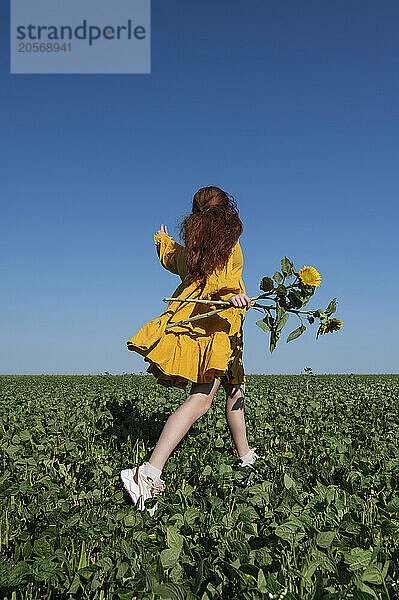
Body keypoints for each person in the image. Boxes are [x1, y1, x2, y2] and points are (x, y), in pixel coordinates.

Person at [120, 186, 263, 516]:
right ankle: (148, 472)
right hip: (216, 331)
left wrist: (162, 240)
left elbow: (172, 258)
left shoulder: (193, 252)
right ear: (226, 211)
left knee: (235, 393)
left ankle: (245, 460)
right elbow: (223, 285)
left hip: (218, 329)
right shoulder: (227, 245)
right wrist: (232, 297)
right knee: (200, 401)